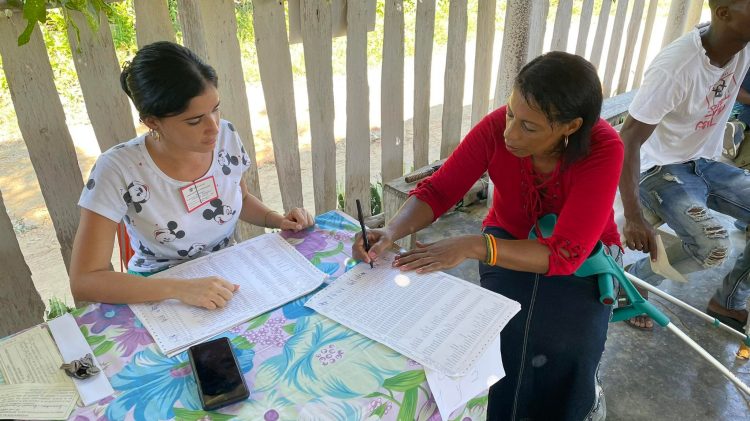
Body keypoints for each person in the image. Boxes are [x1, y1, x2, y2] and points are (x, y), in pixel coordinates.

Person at [353, 52, 623, 420]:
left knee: (570, 347)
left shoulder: (604, 148)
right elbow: (439, 190)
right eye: (511, 113)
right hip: (508, 235)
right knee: (500, 339)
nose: (509, 133)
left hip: (587, 252)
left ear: (570, 127)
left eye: (529, 127)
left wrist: (473, 246)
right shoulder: (497, 127)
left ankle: (581, 405)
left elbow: (565, 253)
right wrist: (391, 230)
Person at [69, 41, 314, 310]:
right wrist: (179, 289)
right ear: (152, 121)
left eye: (215, 109)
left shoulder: (226, 137)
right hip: (157, 289)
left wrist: (276, 219)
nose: (213, 128)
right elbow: (85, 280)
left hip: (228, 272)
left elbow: (239, 197)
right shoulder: (117, 169)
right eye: (195, 121)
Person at [619, 0, 750, 331]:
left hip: (704, 163)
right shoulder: (676, 66)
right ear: (723, 13)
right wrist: (634, 217)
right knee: (714, 246)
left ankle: (728, 300)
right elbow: (628, 140)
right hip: (659, 170)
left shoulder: (741, 45)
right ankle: (634, 284)